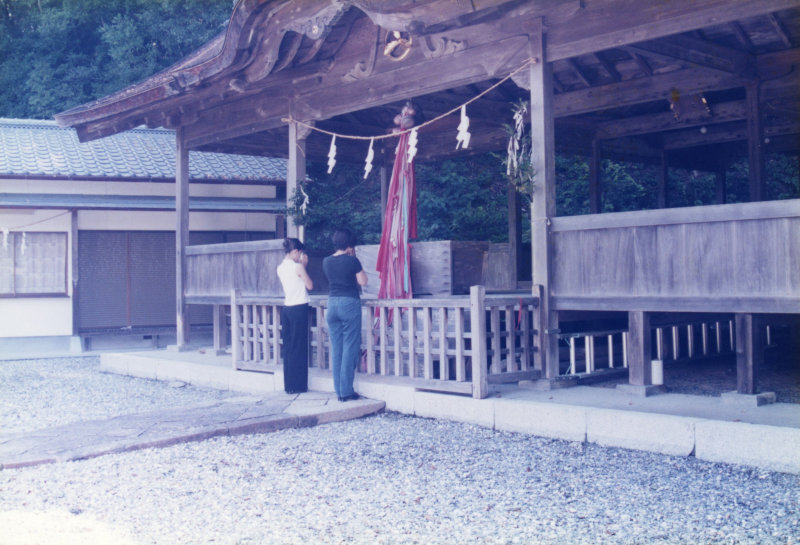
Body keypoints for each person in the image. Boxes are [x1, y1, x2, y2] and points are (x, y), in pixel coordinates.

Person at [322, 229, 368, 402]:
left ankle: (339, 391)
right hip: (349, 302)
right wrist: (353, 256)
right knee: (350, 346)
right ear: (349, 245)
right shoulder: (352, 260)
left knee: (337, 347)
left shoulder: (326, 261)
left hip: (332, 303)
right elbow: (363, 281)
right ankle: (347, 390)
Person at [276, 238, 313, 394]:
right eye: (300, 253)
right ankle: (299, 385)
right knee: (300, 346)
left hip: (287, 308)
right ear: (296, 252)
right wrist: (304, 266)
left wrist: (301, 266)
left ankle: (289, 385)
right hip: (299, 307)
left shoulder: (280, 267)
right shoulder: (298, 266)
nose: (301, 256)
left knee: (289, 347)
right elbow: (310, 285)